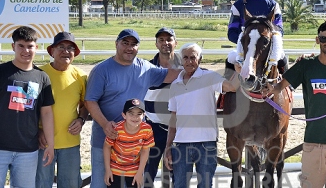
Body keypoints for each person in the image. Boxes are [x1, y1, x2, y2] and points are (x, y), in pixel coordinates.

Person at [266, 20, 326, 188]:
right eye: (324, 38)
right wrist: (265, 89)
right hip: (313, 142)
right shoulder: (305, 65)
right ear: (317, 39)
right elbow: (278, 88)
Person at [85, 28, 181, 188]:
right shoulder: (101, 70)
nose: (129, 48)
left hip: (134, 144)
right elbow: (90, 101)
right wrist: (105, 124)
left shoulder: (145, 68)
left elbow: (172, 74)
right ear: (116, 44)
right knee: (101, 184)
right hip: (106, 141)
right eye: (125, 43)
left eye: (134, 44)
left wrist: (198, 71)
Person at [0, 26, 55, 188]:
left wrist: (51, 145)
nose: (26, 50)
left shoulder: (42, 77)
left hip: (28, 150)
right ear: (13, 46)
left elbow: (46, 113)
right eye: (21, 46)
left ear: (36, 47)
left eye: (30, 46)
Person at [164, 43, 237, 188]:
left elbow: (232, 87)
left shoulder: (210, 77)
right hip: (180, 145)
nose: (189, 61)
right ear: (181, 60)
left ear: (200, 59)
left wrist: (240, 68)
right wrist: (168, 147)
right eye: (186, 57)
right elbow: (173, 118)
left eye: (193, 57)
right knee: (179, 185)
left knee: (205, 185)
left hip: (206, 144)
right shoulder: (175, 85)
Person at [36, 31, 88, 188]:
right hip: (42, 142)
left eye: (70, 48)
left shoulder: (81, 76)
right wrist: (37, 132)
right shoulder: (38, 73)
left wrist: (81, 119)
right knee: (41, 184)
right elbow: (29, 108)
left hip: (70, 143)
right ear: (52, 50)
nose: (66, 51)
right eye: (61, 47)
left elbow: (85, 105)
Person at [226, 0, 286, 74]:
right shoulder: (238, 5)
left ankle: (288, 88)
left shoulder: (273, 5)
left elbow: (279, 30)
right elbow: (232, 32)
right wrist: (246, 42)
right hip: (243, 49)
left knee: (282, 57)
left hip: (266, 49)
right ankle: (225, 89)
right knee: (230, 58)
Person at [143, 27, 182, 186]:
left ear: (175, 42)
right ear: (156, 44)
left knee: (179, 177)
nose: (165, 43)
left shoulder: (188, 66)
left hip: (179, 130)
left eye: (169, 39)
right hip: (152, 128)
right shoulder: (146, 67)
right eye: (161, 40)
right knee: (147, 175)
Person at [104, 98, 154, 188]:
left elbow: (145, 151)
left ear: (144, 115)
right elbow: (107, 146)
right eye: (131, 114)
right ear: (124, 115)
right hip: (115, 168)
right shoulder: (117, 129)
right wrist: (108, 170)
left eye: (139, 114)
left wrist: (139, 173)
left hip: (134, 170)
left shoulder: (147, 129)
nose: (135, 117)